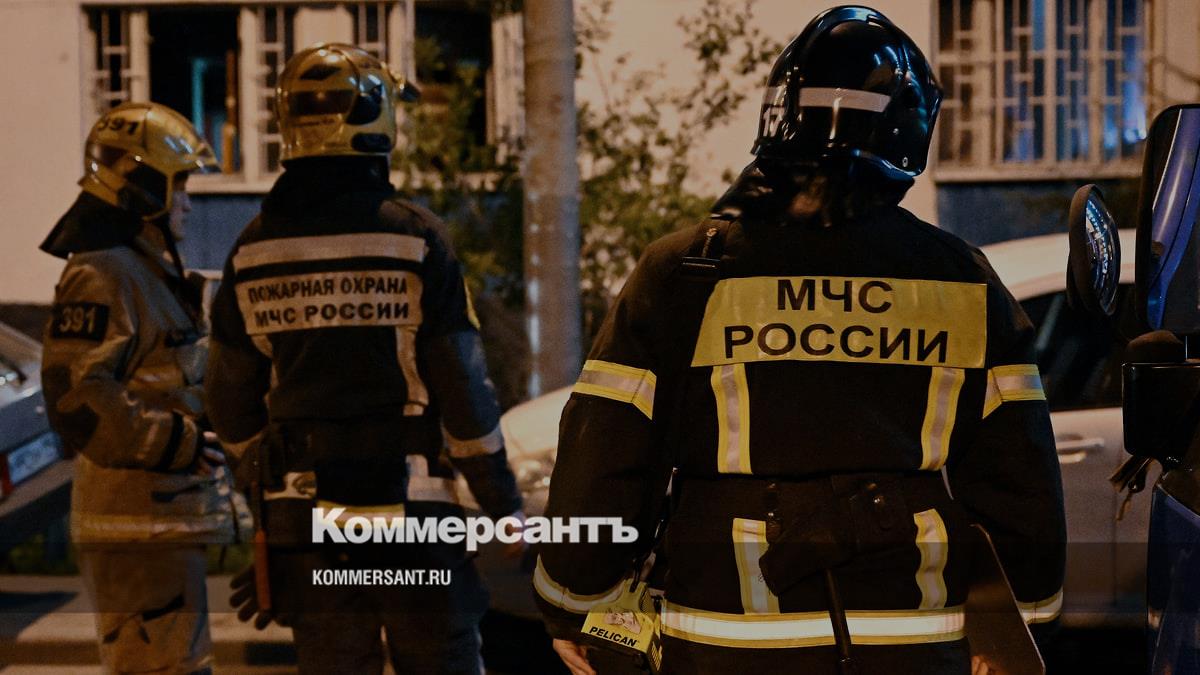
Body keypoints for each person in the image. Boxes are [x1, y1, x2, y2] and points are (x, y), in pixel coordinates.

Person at [533, 6, 1066, 675]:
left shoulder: (683, 272)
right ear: (908, 131)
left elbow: (604, 455)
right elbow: (1018, 474)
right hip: (910, 643)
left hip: (723, 641)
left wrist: (576, 603)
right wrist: (1027, 613)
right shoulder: (963, 279)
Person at [205, 43, 524, 674]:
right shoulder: (415, 237)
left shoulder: (251, 249)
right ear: (376, 121)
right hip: (412, 512)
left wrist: (264, 501)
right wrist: (501, 503)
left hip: (306, 518)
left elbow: (228, 402)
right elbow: (462, 388)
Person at [40, 101, 247, 675]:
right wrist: (176, 441)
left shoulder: (143, 271)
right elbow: (76, 397)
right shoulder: (103, 272)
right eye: (180, 186)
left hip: (156, 528)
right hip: (136, 531)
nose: (187, 202)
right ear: (145, 187)